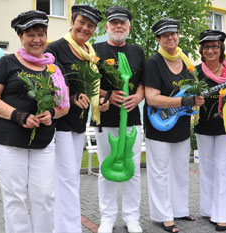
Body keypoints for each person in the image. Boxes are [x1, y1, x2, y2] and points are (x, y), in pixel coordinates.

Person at [0, 10, 69, 232]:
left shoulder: (53, 68)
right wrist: (17, 115)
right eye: (30, 34)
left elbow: (64, 106)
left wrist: (52, 113)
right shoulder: (7, 63)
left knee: (44, 196)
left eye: (41, 34)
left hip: (42, 141)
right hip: (9, 140)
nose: (37, 39)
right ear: (20, 36)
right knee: (15, 198)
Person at [45, 5, 108, 233]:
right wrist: (72, 96)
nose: (86, 28)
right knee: (66, 179)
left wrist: (101, 100)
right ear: (72, 20)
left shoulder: (89, 54)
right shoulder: (56, 48)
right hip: (60, 123)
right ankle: (67, 229)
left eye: (91, 25)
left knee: (71, 178)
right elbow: (52, 83)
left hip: (79, 124)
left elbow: (91, 88)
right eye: (82, 22)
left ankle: (67, 227)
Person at [144, 18, 204, 233]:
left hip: (180, 125)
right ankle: (163, 215)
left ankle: (179, 209)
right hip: (158, 125)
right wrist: (182, 102)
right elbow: (151, 98)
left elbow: (191, 92)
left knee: (180, 170)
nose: (170, 38)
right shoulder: (153, 63)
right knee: (159, 172)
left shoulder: (186, 63)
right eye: (165, 35)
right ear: (158, 39)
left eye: (173, 34)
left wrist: (195, 101)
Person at [92, 6, 145, 233]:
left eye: (122, 23)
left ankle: (132, 218)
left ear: (129, 27)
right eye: (114, 23)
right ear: (107, 27)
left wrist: (138, 97)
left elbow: (143, 83)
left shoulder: (138, 52)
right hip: (104, 121)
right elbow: (89, 84)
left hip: (132, 120)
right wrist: (107, 95)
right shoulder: (94, 50)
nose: (118, 26)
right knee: (106, 170)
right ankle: (107, 218)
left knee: (132, 170)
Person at [194, 29, 226, 232]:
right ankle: (209, 208)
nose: (211, 50)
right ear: (202, 50)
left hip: (225, 126)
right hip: (203, 126)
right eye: (207, 47)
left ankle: (223, 214)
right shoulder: (195, 72)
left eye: (215, 46)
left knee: (221, 167)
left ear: (221, 49)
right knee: (206, 168)